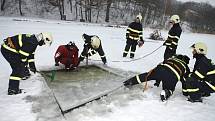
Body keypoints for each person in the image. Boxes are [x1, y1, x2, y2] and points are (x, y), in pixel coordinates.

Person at [123, 54, 190, 101]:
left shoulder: (171, 59)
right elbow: (184, 80)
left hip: (160, 69)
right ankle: (165, 92)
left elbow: (160, 64)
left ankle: (131, 81)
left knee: (147, 76)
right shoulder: (185, 67)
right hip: (172, 75)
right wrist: (185, 92)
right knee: (170, 89)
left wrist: (157, 80)